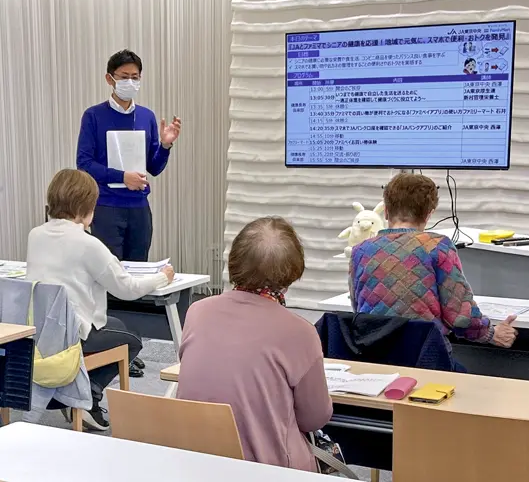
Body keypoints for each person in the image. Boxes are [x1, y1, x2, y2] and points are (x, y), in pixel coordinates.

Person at [177, 217, 332, 471]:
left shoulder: (196, 312)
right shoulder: (300, 331)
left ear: (234, 261)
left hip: (197, 464)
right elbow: (315, 417)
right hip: (268, 469)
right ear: (293, 271)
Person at [26, 169, 174, 430]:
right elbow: (126, 288)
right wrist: (163, 277)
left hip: (40, 332)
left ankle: (75, 395)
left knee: (115, 324)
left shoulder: (35, 236)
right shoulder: (88, 243)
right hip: (75, 335)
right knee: (133, 341)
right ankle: (88, 399)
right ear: (87, 208)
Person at [350, 173, 518, 350]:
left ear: (385, 211)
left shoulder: (360, 251)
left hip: (372, 358)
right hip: (425, 357)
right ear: (428, 214)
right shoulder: (438, 246)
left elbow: (358, 310)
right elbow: (461, 317)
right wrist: (492, 334)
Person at [77, 49, 182, 262]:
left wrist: (164, 145)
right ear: (110, 78)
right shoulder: (94, 116)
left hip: (139, 208)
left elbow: (153, 168)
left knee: (138, 271)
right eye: (124, 77)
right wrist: (122, 177)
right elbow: (84, 164)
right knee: (109, 271)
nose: (130, 83)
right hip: (107, 206)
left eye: (135, 78)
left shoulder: (146, 116)